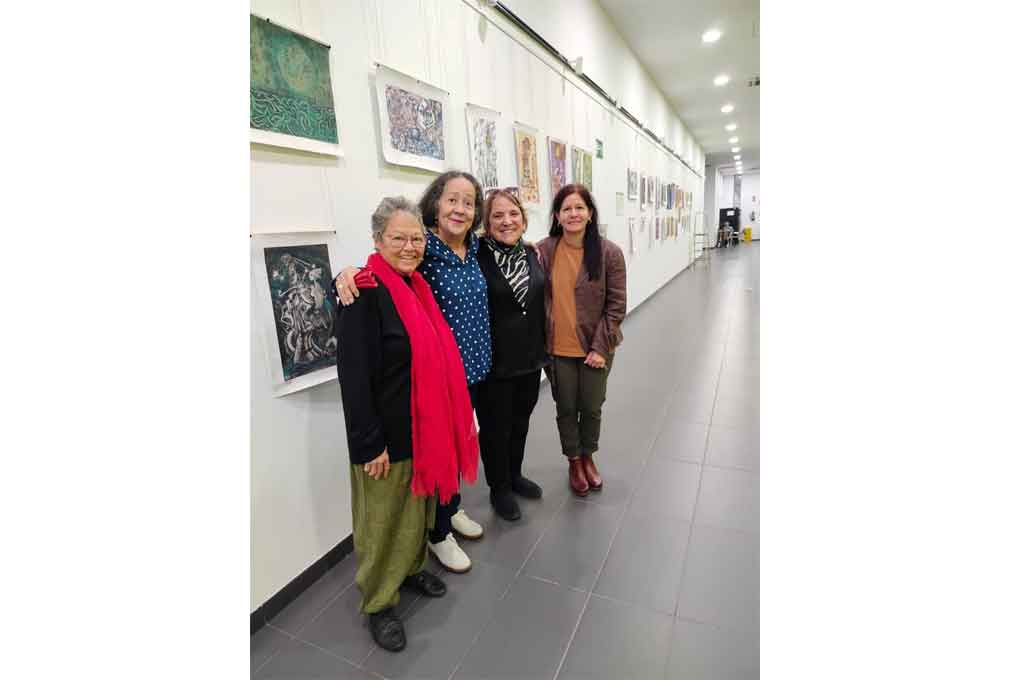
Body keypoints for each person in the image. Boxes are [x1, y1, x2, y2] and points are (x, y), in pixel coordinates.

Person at [333, 196, 479, 652]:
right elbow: (353, 377)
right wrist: (368, 444)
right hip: (385, 438)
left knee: (417, 512)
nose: (410, 246)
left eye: (416, 238)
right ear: (378, 240)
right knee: (381, 523)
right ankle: (379, 602)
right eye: (399, 238)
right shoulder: (363, 292)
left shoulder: (417, 287)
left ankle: (412, 569)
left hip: (422, 430)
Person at [537, 184, 627, 496]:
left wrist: (601, 347)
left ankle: (588, 455)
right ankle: (574, 461)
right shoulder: (543, 251)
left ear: (590, 214)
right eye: (566, 209)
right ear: (557, 216)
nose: (573, 214)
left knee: (591, 406)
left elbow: (616, 305)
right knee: (565, 407)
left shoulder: (609, 253)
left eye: (579, 208)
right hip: (557, 348)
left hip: (595, 348)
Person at [473, 189, 547, 521]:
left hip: (530, 359)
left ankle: (515, 475)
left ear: (523, 219)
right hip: (494, 364)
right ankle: (499, 488)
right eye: (498, 216)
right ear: (487, 224)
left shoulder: (531, 253)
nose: (507, 221)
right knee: (495, 429)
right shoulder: (475, 255)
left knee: (520, 422)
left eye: (513, 214)